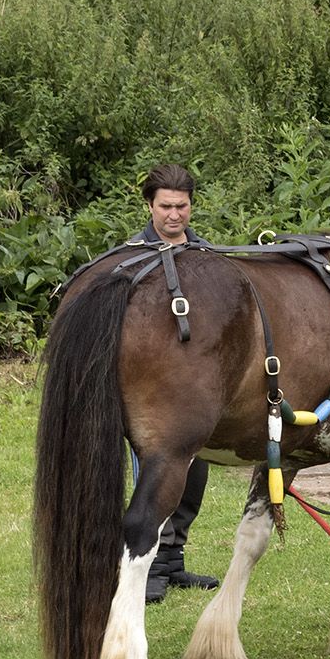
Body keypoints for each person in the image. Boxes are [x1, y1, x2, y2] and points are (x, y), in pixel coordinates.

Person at [125, 163, 219, 601]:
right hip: (153, 391)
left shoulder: (208, 256)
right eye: (165, 206)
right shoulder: (129, 258)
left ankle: (172, 561)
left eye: (182, 206)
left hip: (199, 388)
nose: (174, 215)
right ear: (149, 206)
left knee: (193, 476)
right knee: (156, 477)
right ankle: (150, 566)